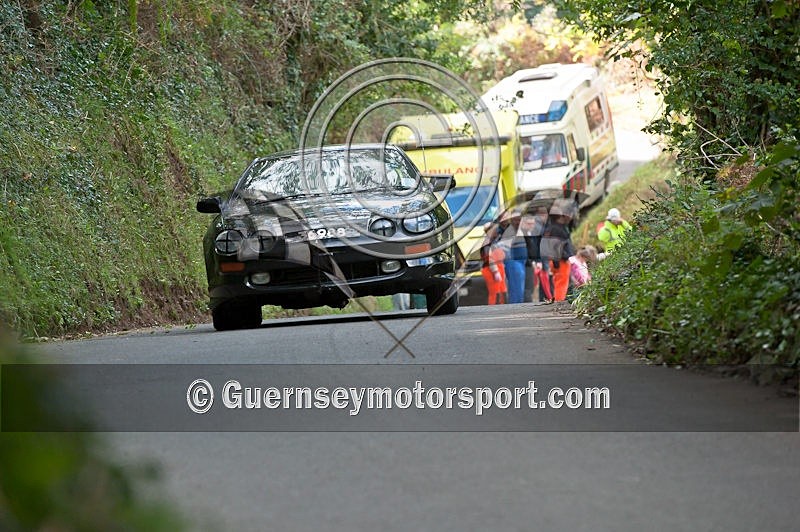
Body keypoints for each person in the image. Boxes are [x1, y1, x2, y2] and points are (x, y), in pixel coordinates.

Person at [540, 200, 577, 302]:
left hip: (560, 260)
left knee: (561, 283)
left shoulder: (557, 227)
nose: (571, 217)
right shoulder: (556, 229)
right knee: (561, 284)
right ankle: (558, 304)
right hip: (560, 261)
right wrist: (558, 261)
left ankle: (559, 302)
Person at [479, 223, 507, 305]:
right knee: (495, 293)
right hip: (491, 270)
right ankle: (494, 311)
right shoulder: (487, 243)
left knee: (502, 292)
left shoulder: (493, 241)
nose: (497, 231)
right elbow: (490, 258)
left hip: (498, 268)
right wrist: (495, 271)